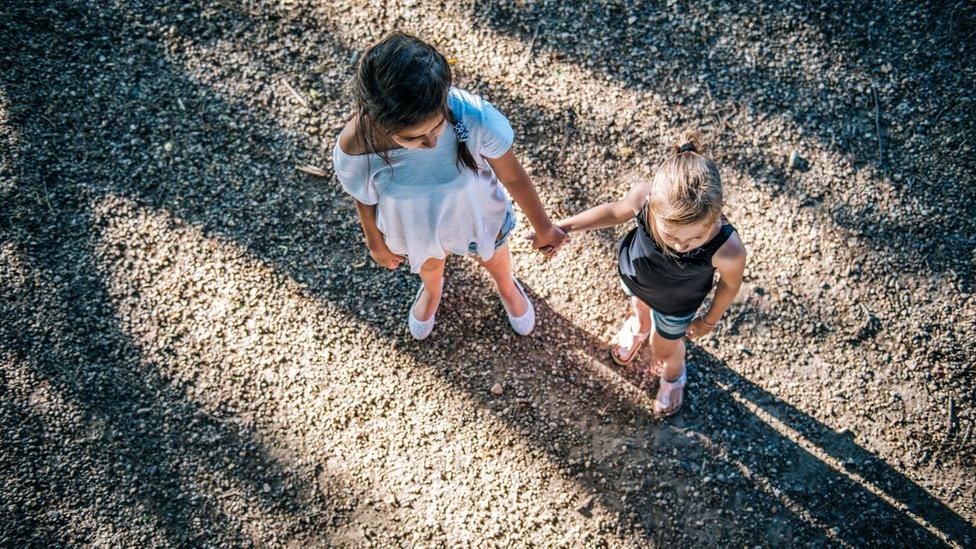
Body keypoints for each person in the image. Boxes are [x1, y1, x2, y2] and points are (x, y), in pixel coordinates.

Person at [333, 32, 568, 340]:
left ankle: (506, 285)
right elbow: (363, 196)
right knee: (430, 267)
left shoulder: (477, 117)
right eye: (413, 138)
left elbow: (513, 176)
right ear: (378, 122)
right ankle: (433, 290)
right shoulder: (356, 147)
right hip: (417, 229)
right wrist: (375, 241)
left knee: (494, 257)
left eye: (436, 127)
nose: (431, 143)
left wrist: (544, 227)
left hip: (477, 217)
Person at [550, 132, 746, 417]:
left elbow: (729, 285)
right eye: (670, 235)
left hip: (676, 304)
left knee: (663, 349)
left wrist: (709, 321)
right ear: (653, 205)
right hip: (635, 275)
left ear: (717, 215)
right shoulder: (645, 196)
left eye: (695, 238)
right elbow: (614, 212)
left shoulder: (728, 250)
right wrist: (565, 227)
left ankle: (674, 373)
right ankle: (640, 325)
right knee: (639, 307)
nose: (680, 246)